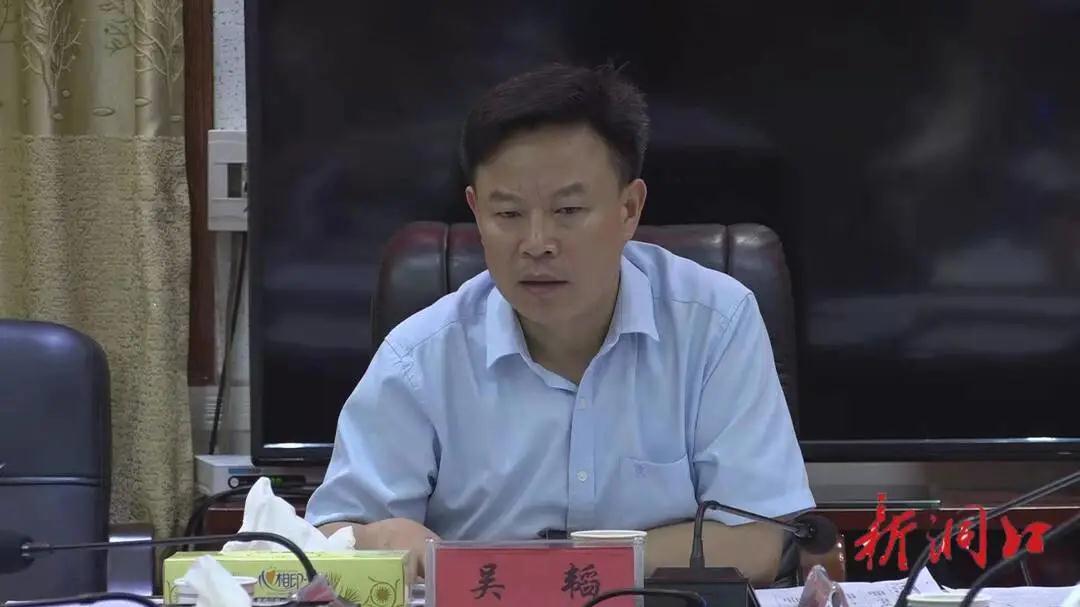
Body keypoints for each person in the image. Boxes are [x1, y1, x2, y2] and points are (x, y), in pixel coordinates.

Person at [305, 63, 814, 584]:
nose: (537, 243)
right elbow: (327, 538)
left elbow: (758, 539)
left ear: (629, 208)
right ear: (476, 211)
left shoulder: (714, 323)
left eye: (568, 210)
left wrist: (552, 571)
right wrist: (379, 538)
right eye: (508, 214)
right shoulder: (420, 356)